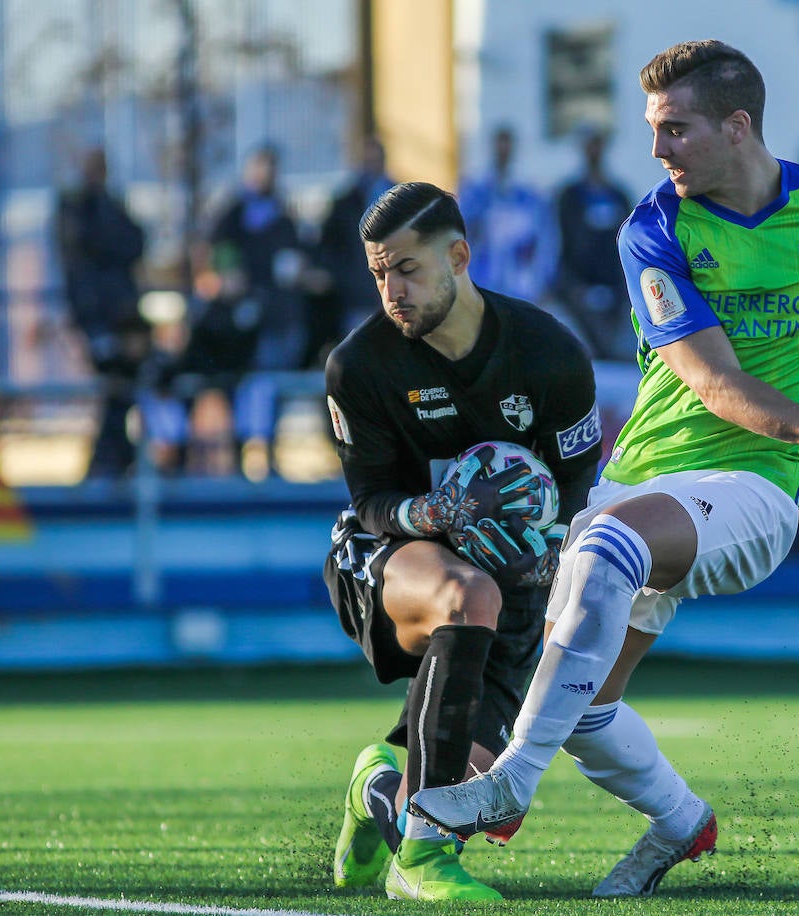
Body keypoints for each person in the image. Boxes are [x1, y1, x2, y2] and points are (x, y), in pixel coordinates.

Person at [411, 40, 799, 898]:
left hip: (756, 486)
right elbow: (714, 382)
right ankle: (684, 823)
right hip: (646, 474)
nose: (657, 151)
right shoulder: (653, 228)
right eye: (653, 130)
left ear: (738, 126)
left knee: (606, 550)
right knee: (581, 704)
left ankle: (506, 787)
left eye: (675, 130)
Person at [323, 181, 601, 901]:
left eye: (407, 269)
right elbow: (372, 501)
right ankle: (421, 860)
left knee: (469, 784)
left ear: (458, 256)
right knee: (462, 592)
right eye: (380, 272)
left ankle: (378, 786)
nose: (392, 290)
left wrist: (549, 559)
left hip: (512, 574)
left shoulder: (550, 354)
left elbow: (577, 487)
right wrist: (442, 512)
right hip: (384, 559)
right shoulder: (360, 366)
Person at [203, 143, 307, 477]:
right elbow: (217, 256)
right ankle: (238, 456)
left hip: (276, 318)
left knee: (273, 387)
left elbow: (297, 257)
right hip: (240, 323)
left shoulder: (283, 215)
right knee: (240, 387)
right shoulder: (232, 215)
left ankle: (269, 454)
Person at [54, 147, 150, 478]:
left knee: (122, 391)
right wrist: (89, 319)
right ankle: (106, 462)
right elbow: (84, 256)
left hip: (121, 317)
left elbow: (136, 242)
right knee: (113, 389)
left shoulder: (111, 206)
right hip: (98, 318)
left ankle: (110, 461)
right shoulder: (77, 209)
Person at [308, 136, 395, 370]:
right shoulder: (344, 203)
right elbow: (327, 247)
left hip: (395, 296)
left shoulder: (399, 196)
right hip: (356, 300)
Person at [553, 127, 634, 360]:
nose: (594, 151)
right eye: (589, 145)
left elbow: (627, 245)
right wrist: (571, 286)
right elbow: (561, 241)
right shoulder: (569, 196)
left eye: (598, 144)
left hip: (614, 292)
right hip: (578, 291)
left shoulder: (618, 195)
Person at [458, 125, 556, 304]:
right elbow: (462, 232)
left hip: (520, 288)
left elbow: (545, 241)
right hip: (482, 285)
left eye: (507, 144)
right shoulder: (476, 193)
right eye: (500, 144)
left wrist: (544, 280)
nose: (503, 150)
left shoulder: (528, 196)